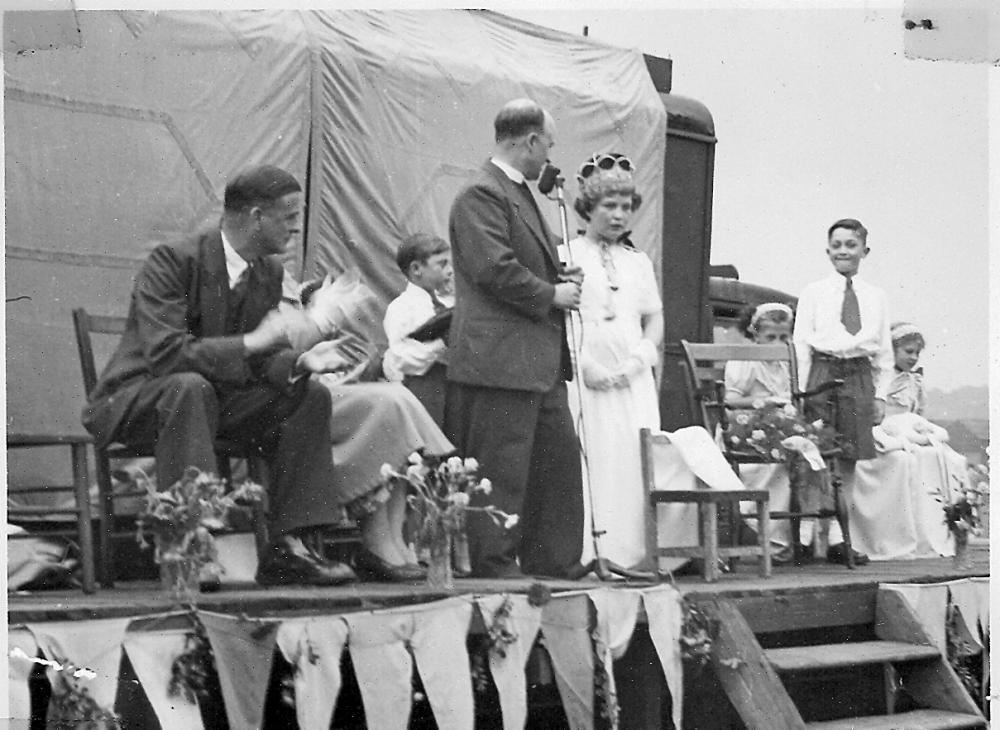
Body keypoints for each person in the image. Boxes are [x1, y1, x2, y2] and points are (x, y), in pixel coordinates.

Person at [82, 165, 356, 586]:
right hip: (138, 400)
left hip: (207, 401)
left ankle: (292, 547)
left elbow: (264, 358)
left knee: (310, 395)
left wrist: (300, 363)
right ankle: (189, 544)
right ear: (255, 217)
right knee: (189, 386)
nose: (295, 228)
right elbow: (168, 355)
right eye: (288, 216)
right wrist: (252, 343)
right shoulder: (173, 260)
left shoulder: (267, 271)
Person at [445, 98, 585, 579]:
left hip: (536, 359)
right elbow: (493, 269)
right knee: (502, 467)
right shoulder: (481, 194)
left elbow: (515, 260)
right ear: (530, 140)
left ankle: (554, 560)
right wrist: (553, 294)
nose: (550, 153)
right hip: (502, 360)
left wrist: (554, 273)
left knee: (558, 462)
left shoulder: (518, 192)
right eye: (549, 142)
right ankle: (494, 562)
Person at [285, 273, 455, 581]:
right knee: (386, 406)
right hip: (291, 395)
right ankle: (377, 539)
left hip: (312, 390)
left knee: (395, 397)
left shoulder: (270, 274)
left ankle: (393, 537)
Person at [562, 152, 662, 570]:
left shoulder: (638, 262)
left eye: (626, 207)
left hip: (631, 379)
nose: (619, 215)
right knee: (594, 458)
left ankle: (634, 551)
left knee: (631, 458)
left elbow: (653, 317)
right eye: (609, 206)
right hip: (586, 377)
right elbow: (563, 317)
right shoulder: (567, 253)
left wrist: (639, 360)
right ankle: (592, 550)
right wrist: (587, 366)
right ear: (588, 208)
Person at [793, 218, 894, 566]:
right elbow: (800, 344)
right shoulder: (813, 292)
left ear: (864, 251)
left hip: (858, 376)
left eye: (851, 245)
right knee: (814, 453)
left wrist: (879, 395)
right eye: (837, 245)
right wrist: (800, 391)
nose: (843, 251)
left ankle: (839, 537)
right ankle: (806, 536)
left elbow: (883, 352)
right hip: (821, 372)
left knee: (848, 457)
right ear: (827, 251)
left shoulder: (876, 296)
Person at [724, 303, 829, 563]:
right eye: (770, 337)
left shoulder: (785, 364)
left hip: (780, 427)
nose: (777, 343)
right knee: (783, 458)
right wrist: (766, 403)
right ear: (755, 335)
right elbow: (730, 402)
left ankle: (803, 533)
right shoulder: (745, 361)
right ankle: (774, 538)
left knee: (811, 451)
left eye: (784, 338)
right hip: (748, 426)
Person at [851, 322, 967, 558]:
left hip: (908, 429)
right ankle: (897, 533)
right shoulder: (879, 377)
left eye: (917, 353)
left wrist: (919, 432)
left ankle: (934, 531)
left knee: (947, 458)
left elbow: (918, 413)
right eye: (908, 352)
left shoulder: (915, 381)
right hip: (882, 431)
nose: (913, 358)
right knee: (904, 460)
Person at [383, 233, 453, 426]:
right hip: (424, 390)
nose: (450, 271)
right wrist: (441, 343)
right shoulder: (401, 308)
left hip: (453, 388)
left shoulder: (448, 303)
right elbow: (401, 359)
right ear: (416, 269)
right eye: (442, 264)